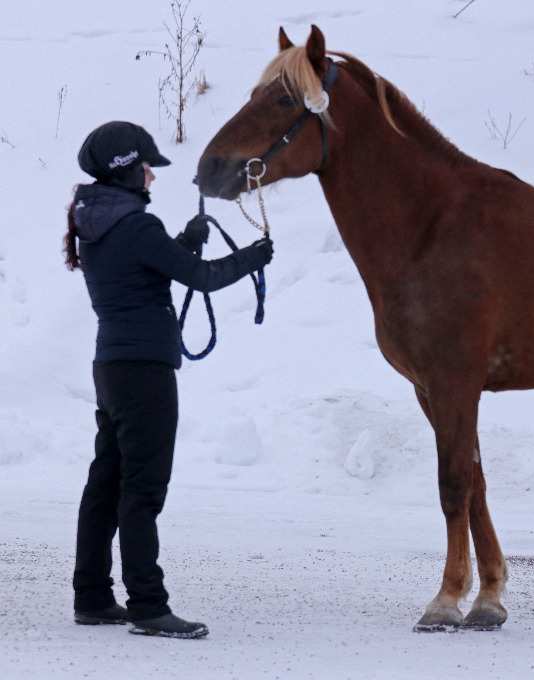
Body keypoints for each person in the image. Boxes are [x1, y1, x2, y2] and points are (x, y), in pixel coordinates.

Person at [65, 121, 273, 640]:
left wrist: (184, 240)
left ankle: (91, 597)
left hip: (112, 367)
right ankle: (148, 606)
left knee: (106, 483)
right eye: (147, 166)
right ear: (126, 169)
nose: (152, 176)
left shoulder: (98, 220)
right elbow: (201, 278)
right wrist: (254, 257)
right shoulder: (136, 227)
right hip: (145, 374)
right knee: (142, 490)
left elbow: (147, 268)